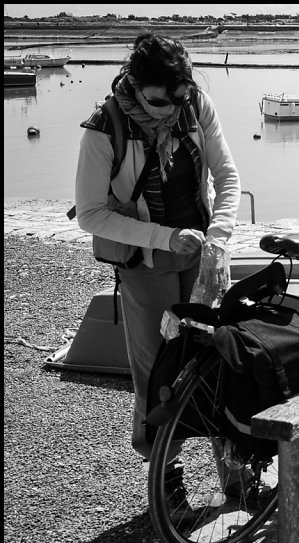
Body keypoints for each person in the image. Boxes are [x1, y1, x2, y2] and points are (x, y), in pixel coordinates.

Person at [74, 33, 240, 514]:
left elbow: (226, 176)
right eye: (159, 100)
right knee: (158, 371)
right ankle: (168, 485)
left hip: (203, 255)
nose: (170, 110)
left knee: (217, 358)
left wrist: (222, 235)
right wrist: (165, 238)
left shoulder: (196, 107)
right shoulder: (104, 128)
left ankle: (235, 474)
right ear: (136, 83)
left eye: (180, 97)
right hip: (146, 263)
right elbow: (89, 214)